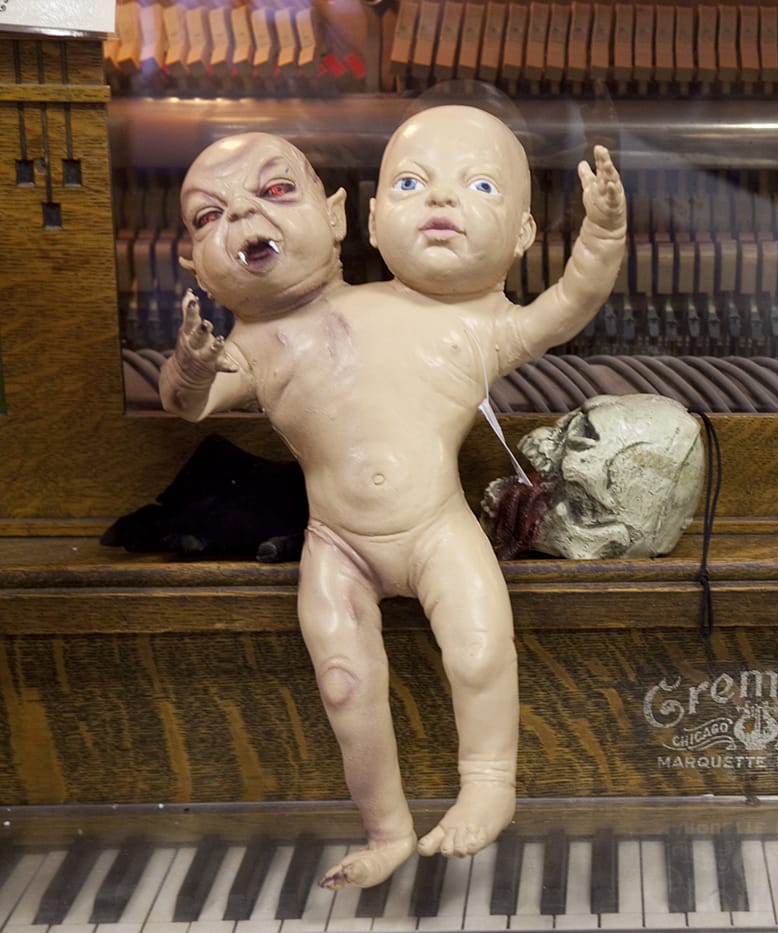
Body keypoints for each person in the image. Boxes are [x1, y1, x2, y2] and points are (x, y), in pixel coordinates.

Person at [162, 107, 626, 889]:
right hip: (334, 545)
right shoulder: (258, 339)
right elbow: (187, 402)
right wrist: (192, 364)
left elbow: (565, 307)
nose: (245, 214)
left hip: (438, 528)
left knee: (480, 648)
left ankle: (489, 783)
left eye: (274, 189)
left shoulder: (465, 320)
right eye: (214, 213)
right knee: (345, 682)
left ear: (341, 218)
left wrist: (603, 236)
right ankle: (384, 830)